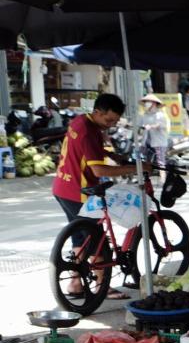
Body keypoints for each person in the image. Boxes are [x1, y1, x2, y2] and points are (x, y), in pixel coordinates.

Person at [51, 93, 138, 297]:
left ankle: (74, 283)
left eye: (115, 122)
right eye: (108, 120)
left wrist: (110, 154)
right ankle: (102, 286)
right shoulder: (89, 132)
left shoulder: (80, 121)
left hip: (62, 187)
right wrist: (135, 169)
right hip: (78, 191)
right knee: (97, 237)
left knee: (80, 237)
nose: (110, 125)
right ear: (97, 112)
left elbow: (86, 150)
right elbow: (99, 171)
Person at [139, 95, 169, 173]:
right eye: (145, 102)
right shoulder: (144, 115)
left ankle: (163, 181)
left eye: (148, 102)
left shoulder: (160, 115)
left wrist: (151, 126)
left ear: (154, 104)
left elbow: (159, 125)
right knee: (146, 163)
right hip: (146, 142)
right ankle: (147, 181)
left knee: (161, 163)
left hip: (158, 142)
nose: (146, 104)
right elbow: (140, 125)